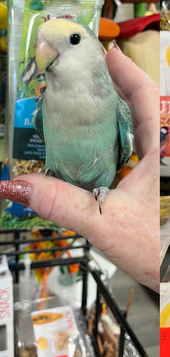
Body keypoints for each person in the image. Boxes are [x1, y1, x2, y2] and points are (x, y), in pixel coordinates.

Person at [0, 44, 160, 292]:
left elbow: (122, 157)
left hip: (99, 195)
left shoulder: (117, 109)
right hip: (59, 192)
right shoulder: (44, 107)